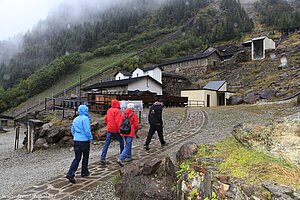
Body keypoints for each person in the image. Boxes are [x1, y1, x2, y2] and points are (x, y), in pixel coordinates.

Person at [66, 105, 93, 184]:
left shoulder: (75, 119)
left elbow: (72, 130)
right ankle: (84, 172)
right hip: (84, 140)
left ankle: (70, 173)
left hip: (76, 140)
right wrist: (90, 138)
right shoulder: (85, 119)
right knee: (85, 156)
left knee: (77, 158)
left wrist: (76, 136)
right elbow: (87, 130)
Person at [100, 99, 124, 165]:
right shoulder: (117, 111)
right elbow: (118, 121)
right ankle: (122, 156)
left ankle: (102, 157)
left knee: (106, 143)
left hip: (109, 128)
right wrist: (119, 130)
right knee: (121, 141)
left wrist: (108, 124)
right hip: (115, 129)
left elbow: (105, 119)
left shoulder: (109, 110)